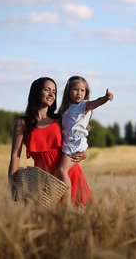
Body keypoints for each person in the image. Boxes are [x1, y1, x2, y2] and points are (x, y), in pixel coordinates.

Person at [8, 77, 93, 207]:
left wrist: (84, 154)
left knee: (78, 221)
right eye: (47, 90)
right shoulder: (22, 123)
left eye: (54, 91)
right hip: (44, 181)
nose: (51, 94)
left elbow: (76, 138)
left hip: (70, 176)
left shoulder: (60, 119)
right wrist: (12, 185)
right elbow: (15, 155)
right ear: (36, 92)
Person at [56, 76, 113, 206]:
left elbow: (96, 102)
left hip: (75, 143)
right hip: (68, 142)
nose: (79, 93)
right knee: (63, 171)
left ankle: (67, 204)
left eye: (82, 91)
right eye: (76, 89)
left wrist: (105, 98)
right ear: (68, 91)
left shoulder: (83, 106)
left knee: (62, 170)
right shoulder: (65, 109)